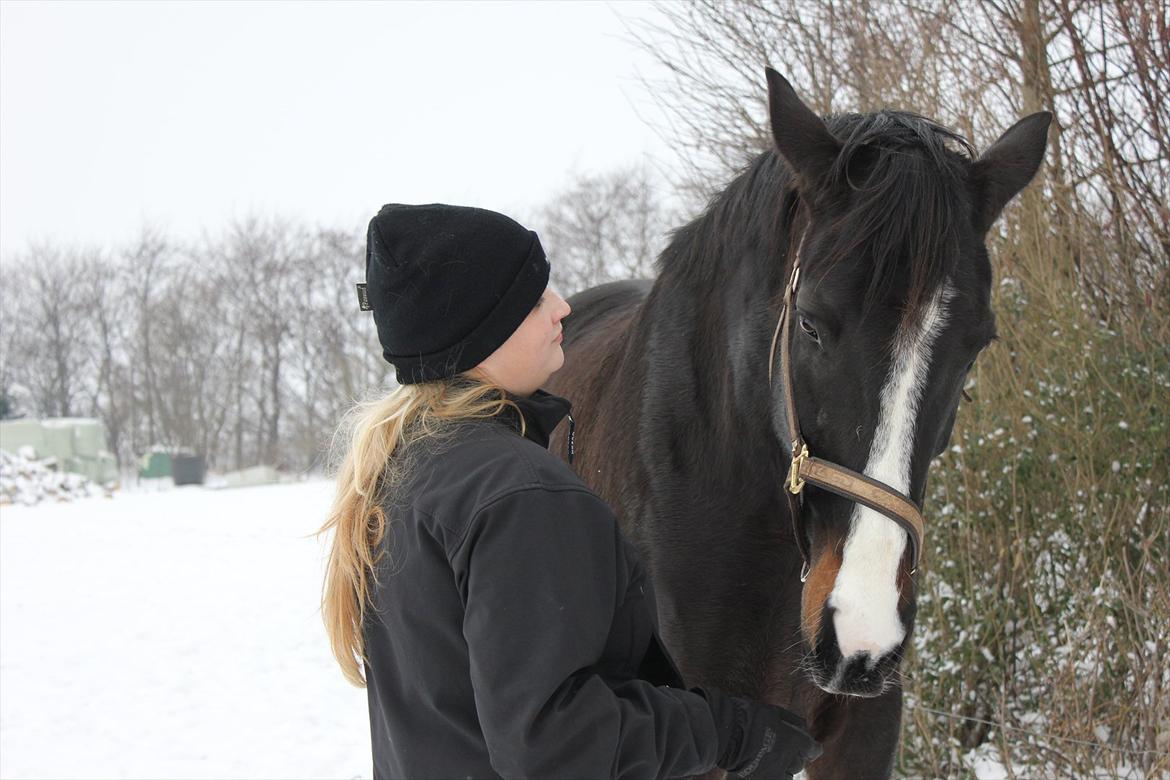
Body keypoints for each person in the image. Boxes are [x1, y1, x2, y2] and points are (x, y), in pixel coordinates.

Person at [319, 203, 822, 779]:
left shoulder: (406, 468)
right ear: (478, 328)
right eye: (534, 299)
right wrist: (732, 733)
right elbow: (552, 741)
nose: (562, 307)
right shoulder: (522, 496)